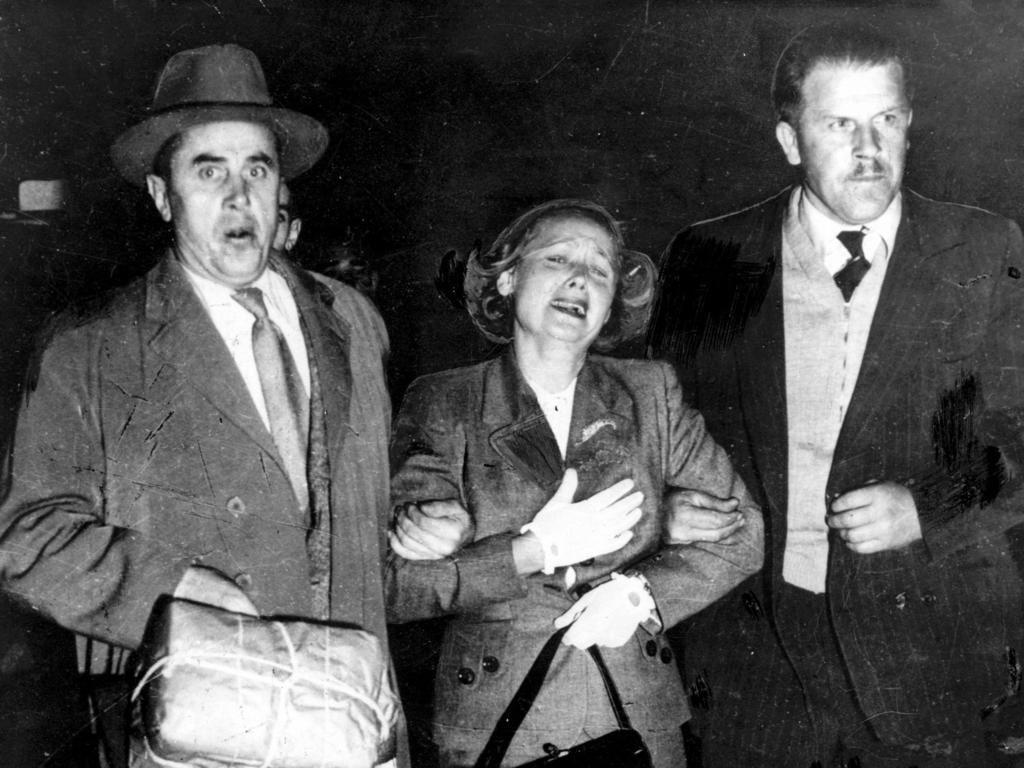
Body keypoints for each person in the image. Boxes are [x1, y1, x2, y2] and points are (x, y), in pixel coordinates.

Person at [0, 43, 451, 767]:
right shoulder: (90, 347)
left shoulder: (352, 320)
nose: (239, 199)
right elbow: (30, 536)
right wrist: (178, 584)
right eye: (209, 171)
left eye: (257, 169)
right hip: (207, 734)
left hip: (357, 727)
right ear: (162, 195)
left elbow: (387, 469)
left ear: (281, 194)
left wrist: (425, 503)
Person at [648, 22, 1024, 767]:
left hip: (929, 655)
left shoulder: (986, 252)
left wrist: (928, 504)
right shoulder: (711, 257)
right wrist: (667, 504)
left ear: (909, 124)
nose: (868, 149)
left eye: (886, 119)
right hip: (756, 654)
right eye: (838, 124)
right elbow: (653, 428)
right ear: (790, 140)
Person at [386, 198, 763, 767]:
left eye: (600, 271)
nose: (579, 280)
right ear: (508, 278)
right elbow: (394, 586)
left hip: (636, 720)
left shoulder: (651, 392)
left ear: (612, 304)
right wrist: (530, 551)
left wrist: (643, 593)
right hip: (501, 723)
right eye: (559, 258)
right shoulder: (444, 401)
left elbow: (745, 532)